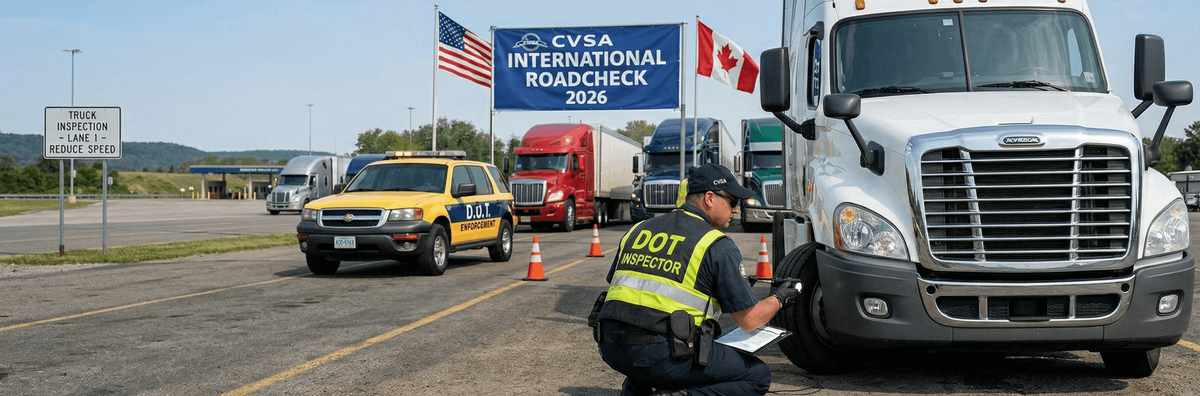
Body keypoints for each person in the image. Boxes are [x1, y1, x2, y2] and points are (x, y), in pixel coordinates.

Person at [594, 163, 801, 396]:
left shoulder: (638, 229)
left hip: (611, 348)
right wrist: (780, 297)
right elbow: (749, 320)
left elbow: (644, 284)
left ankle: (636, 389)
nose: (735, 210)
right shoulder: (716, 244)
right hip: (661, 356)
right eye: (733, 202)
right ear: (710, 198)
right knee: (756, 375)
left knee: (649, 335)